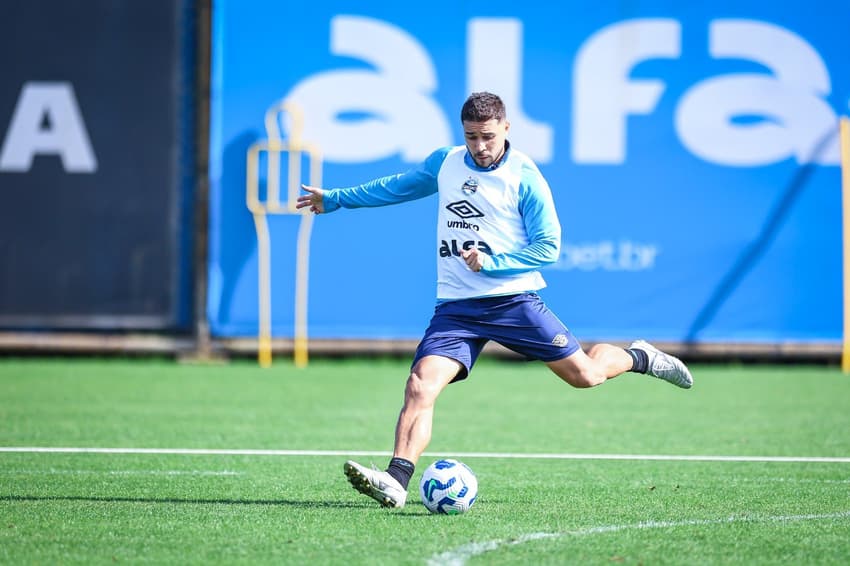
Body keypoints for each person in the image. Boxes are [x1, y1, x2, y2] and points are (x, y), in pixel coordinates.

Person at [296, 91, 693, 509]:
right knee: (419, 385)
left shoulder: (525, 176)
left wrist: (492, 262)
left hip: (512, 302)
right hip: (456, 308)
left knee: (587, 376)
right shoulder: (446, 162)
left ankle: (639, 357)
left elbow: (549, 248)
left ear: (506, 128)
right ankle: (396, 480)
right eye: (471, 137)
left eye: (487, 136)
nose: (480, 147)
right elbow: (398, 187)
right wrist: (337, 198)